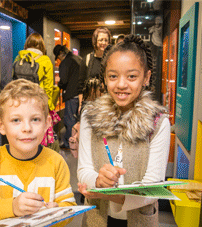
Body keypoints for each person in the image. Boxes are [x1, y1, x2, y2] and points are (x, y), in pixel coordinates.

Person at [77, 35, 170, 226]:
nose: (121, 84)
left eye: (132, 76)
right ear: (104, 78)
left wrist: (107, 193)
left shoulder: (158, 122)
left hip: (140, 219)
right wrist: (98, 181)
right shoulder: (90, 116)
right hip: (97, 219)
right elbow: (84, 170)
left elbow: (152, 188)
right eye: (113, 76)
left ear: (146, 77)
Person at [0, 79, 76, 225]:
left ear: (47, 123)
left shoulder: (56, 162)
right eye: (16, 120)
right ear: (1, 126)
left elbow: (69, 207)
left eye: (35, 119)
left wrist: (57, 212)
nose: (27, 128)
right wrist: (12, 207)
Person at [14, 33, 60, 152]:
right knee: (40, 137)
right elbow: (49, 87)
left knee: (24, 134)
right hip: (39, 105)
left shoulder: (19, 58)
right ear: (41, 46)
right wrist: (48, 108)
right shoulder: (45, 60)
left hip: (20, 104)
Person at [53, 44, 82, 149]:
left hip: (71, 94)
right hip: (80, 95)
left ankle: (68, 143)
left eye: (58, 57)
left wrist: (58, 84)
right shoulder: (78, 58)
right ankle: (77, 141)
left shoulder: (65, 62)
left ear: (61, 53)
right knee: (77, 120)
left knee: (69, 120)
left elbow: (63, 80)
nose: (59, 60)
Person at [77, 27, 111, 113]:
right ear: (95, 41)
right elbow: (81, 85)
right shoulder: (87, 59)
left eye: (106, 40)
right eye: (101, 40)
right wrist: (81, 105)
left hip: (108, 104)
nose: (103, 43)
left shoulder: (112, 60)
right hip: (90, 104)